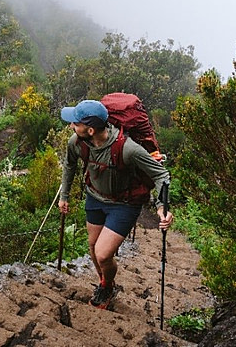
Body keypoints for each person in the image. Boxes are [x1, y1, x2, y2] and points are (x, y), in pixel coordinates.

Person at [57, 99, 173, 309]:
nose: (71, 126)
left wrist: (161, 206)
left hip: (124, 204)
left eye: (75, 123)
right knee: (93, 248)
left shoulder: (127, 149)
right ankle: (104, 284)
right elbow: (69, 165)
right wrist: (64, 196)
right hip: (95, 196)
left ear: (90, 129)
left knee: (103, 254)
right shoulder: (76, 142)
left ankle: (107, 286)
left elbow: (161, 174)